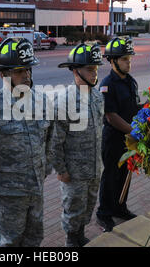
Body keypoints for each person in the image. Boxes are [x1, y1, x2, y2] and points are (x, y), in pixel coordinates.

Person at [0, 38, 56, 247]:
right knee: (10, 242)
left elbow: (50, 139)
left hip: (35, 188)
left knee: (34, 238)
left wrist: (45, 169)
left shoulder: (42, 101)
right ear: (3, 74)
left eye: (28, 69)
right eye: (19, 71)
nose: (26, 75)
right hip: (8, 193)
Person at [52, 43, 105, 247]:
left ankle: (80, 235)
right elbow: (55, 141)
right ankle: (72, 241)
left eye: (96, 69)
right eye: (89, 69)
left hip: (93, 168)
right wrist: (61, 170)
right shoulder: (63, 100)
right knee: (73, 209)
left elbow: (98, 131)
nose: (94, 74)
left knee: (88, 206)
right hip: (73, 172)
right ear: (76, 71)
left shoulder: (98, 96)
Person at [96, 37, 141, 232]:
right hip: (113, 138)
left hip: (129, 137)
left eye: (129, 59)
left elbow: (133, 107)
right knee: (111, 175)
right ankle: (104, 213)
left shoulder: (131, 82)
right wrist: (134, 131)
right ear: (113, 61)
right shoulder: (107, 84)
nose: (128, 63)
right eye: (124, 59)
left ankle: (120, 207)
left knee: (125, 172)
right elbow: (111, 116)